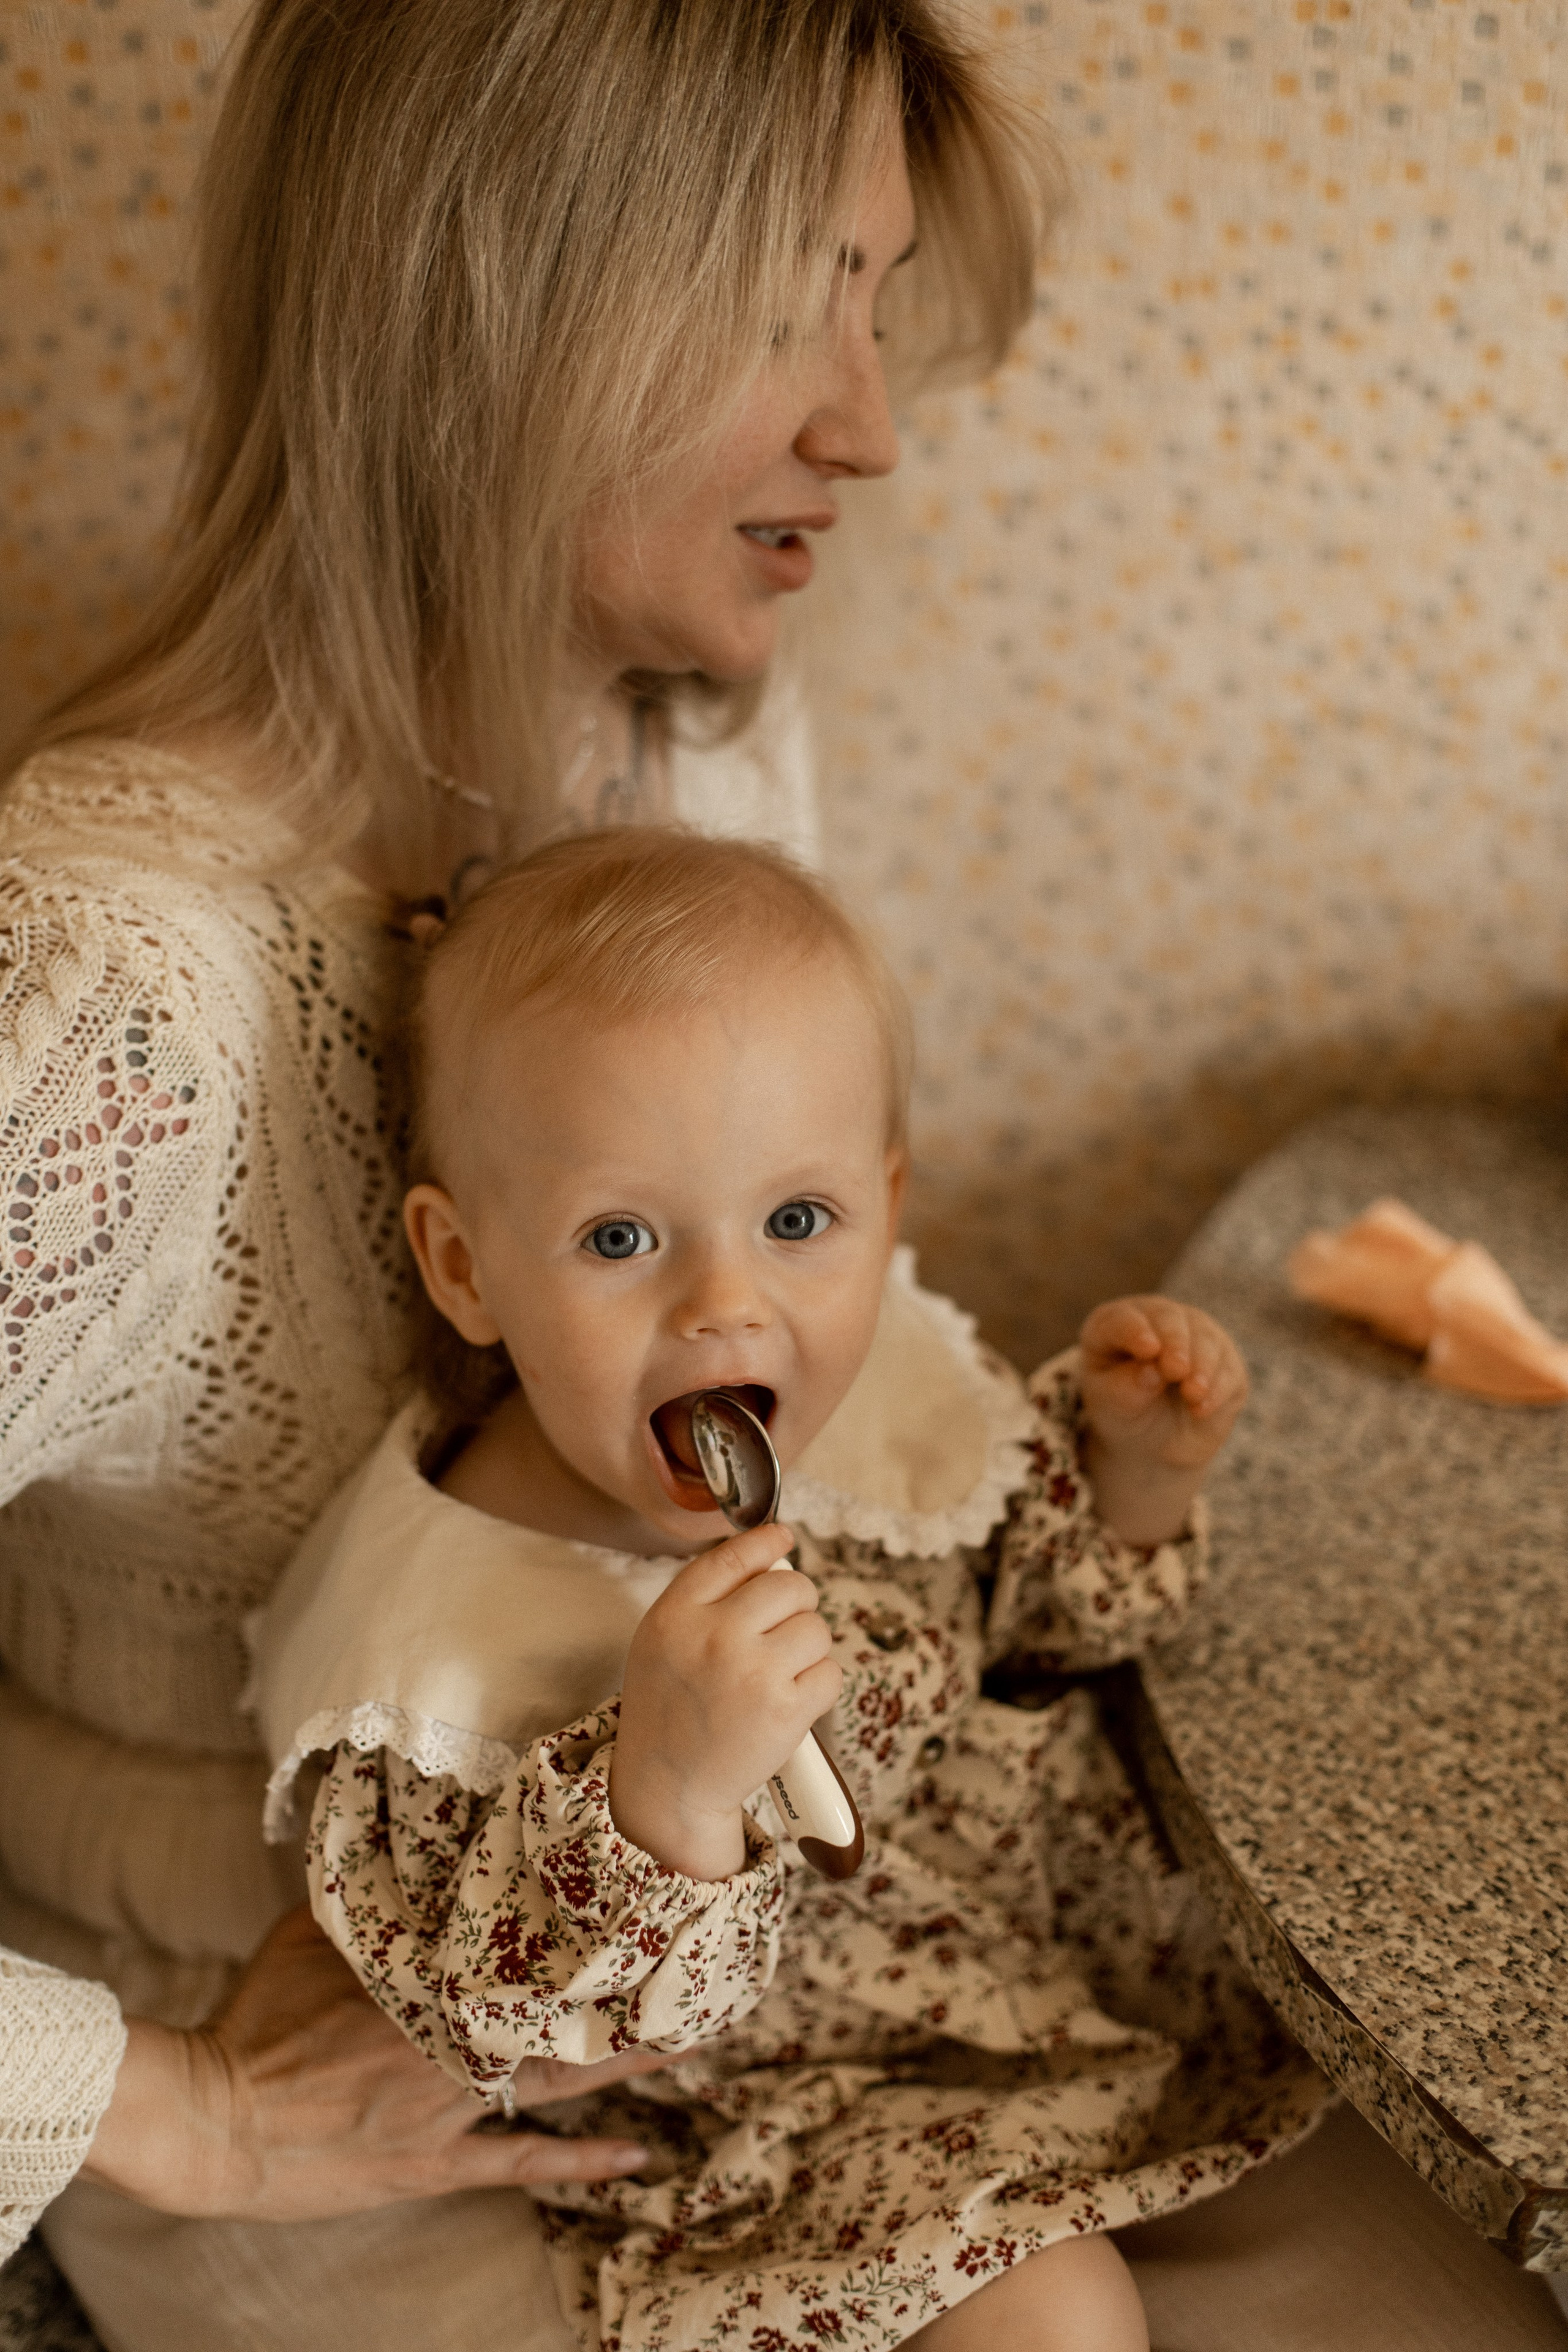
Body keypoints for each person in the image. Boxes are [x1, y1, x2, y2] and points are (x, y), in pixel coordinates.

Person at [2, 0, 1563, 2345]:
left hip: (855, 1975)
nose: (875, 424)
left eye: (878, 294)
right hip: (369, 2040)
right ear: (505, 312)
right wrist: (171, 2107)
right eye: (788, 306)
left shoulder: (679, 742)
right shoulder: (101, 994)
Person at [252, 825, 1324, 2352]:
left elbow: (1038, 1621)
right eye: (619, 1238)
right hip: (786, 2117)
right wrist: (666, 1792)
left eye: (797, 1223)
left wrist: (1137, 1473)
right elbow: (495, 2025)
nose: (723, 1303)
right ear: (466, 1264)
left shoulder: (869, 1407)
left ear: (883, 1210)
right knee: (1058, 2316)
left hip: (1053, 1975)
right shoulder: (444, 1645)